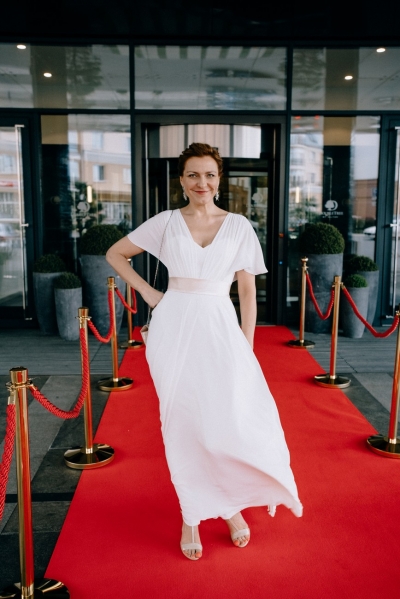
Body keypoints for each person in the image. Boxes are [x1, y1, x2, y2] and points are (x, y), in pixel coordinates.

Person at [106, 143, 302, 561]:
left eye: (209, 175)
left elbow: (246, 292)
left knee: (224, 423)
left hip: (220, 331)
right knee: (183, 424)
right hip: (173, 330)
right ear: (181, 180)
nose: (202, 183)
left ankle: (229, 507)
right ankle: (191, 515)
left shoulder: (239, 226)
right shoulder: (165, 222)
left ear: (219, 179)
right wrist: (151, 294)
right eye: (193, 175)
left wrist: (246, 347)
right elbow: (115, 254)